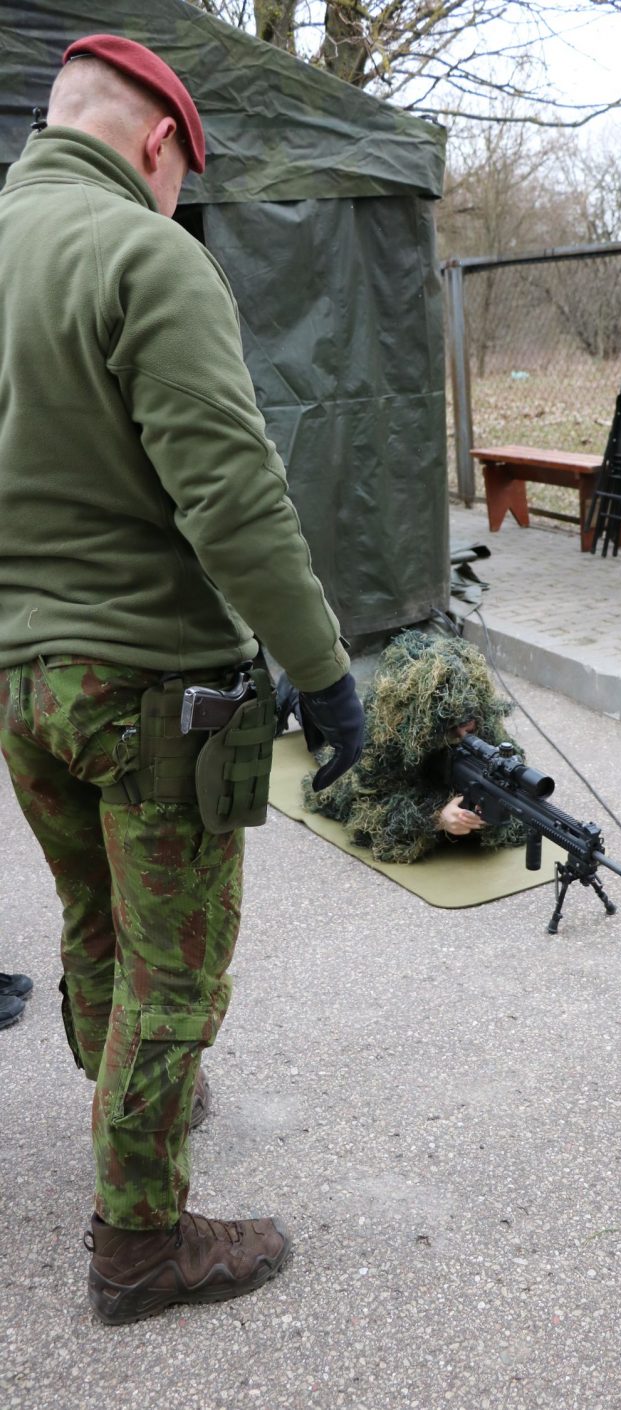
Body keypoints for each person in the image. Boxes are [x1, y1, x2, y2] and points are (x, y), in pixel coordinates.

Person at [0, 35, 364, 1324]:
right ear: (160, 145)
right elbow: (232, 496)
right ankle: (142, 1241)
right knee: (178, 966)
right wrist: (323, 673)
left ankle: (124, 1107)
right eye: (182, 178)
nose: (179, 202)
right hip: (151, 684)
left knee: (91, 913)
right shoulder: (146, 255)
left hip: (22, 685)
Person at [300, 631, 527, 863]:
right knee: (321, 724)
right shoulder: (384, 738)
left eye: (467, 727)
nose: (463, 736)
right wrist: (436, 817)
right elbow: (360, 811)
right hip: (335, 721)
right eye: (450, 729)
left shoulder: (480, 716)